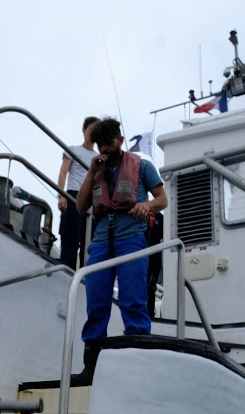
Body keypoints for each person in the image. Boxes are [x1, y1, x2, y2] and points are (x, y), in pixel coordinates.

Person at [73, 117, 167, 380]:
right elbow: (80, 207)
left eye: (109, 143)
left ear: (120, 139)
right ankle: (90, 367)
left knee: (133, 301)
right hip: (102, 242)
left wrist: (146, 206)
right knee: (96, 301)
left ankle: (137, 364)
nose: (105, 149)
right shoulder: (97, 170)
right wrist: (91, 173)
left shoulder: (142, 166)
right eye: (100, 145)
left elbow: (162, 199)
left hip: (132, 239)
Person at [56, 116, 100, 269]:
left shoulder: (98, 157)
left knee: (89, 244)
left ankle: (84, 279)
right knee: (70, 239)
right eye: (91, 129)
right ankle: (67, 272)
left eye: (96, 130)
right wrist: (61, 195)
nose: (93, 132)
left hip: (92, 201)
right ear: (84, 130)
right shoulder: (73, 150)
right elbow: (63, 172)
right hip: (73, 195)